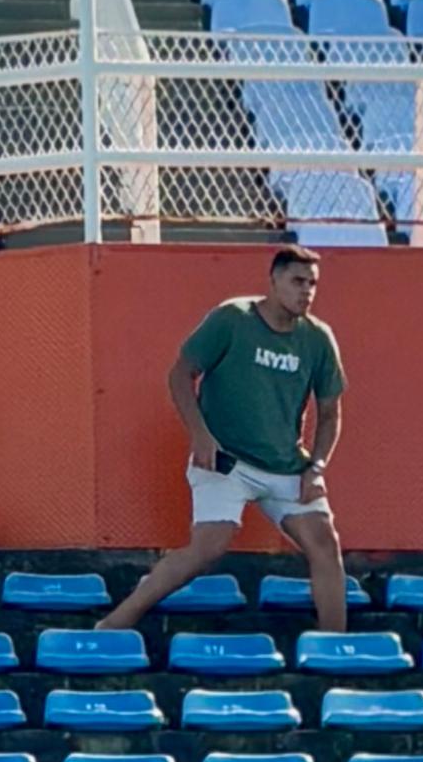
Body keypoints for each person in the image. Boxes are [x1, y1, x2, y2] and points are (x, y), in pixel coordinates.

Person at [97, 248, 352, 635]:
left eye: (313, 283)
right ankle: (113, 624)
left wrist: (316, 468)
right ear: (274, 281)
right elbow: (180, 375)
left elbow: (331, 412)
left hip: (286, 464)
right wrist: (201, 436)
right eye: (298, 281)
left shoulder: (318, 339)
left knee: (325, 544)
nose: (307, 291)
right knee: (209, 546)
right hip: (225, 460)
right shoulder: (233, 318)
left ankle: (336, 649)